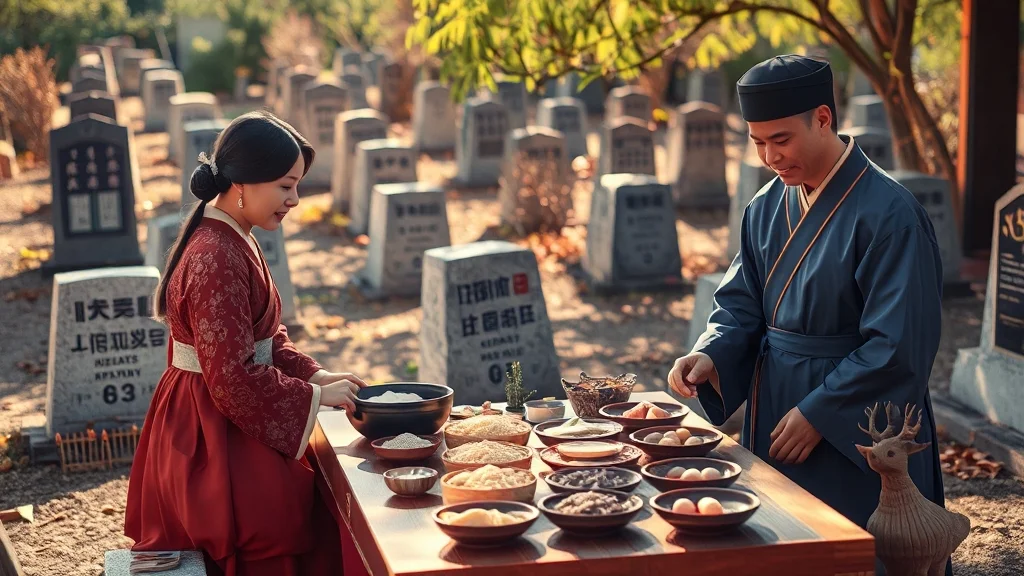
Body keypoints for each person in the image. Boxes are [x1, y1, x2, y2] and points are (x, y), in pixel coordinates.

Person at [667, 55, 950, 573]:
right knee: (782, 543)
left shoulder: (891, 214)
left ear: (823, 118)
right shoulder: (765, 206)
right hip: (776, 401)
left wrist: (821, 412)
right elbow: (741, 303)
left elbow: (899, 344)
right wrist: (711, 353)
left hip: (854, 421)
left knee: (851, 550)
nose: (770, 157)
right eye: (757, 143)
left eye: (782, 140)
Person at [126, 110, 368, 576]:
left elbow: (264, 337)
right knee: (279, 526)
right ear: (243, 183)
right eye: (285, 185)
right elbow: (232, 377)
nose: (295, 199)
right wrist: (315, 398)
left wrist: (315, 376)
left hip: (223, 408)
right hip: (211, 427)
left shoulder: (234, 235)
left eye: (296, 185)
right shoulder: (216, 254)